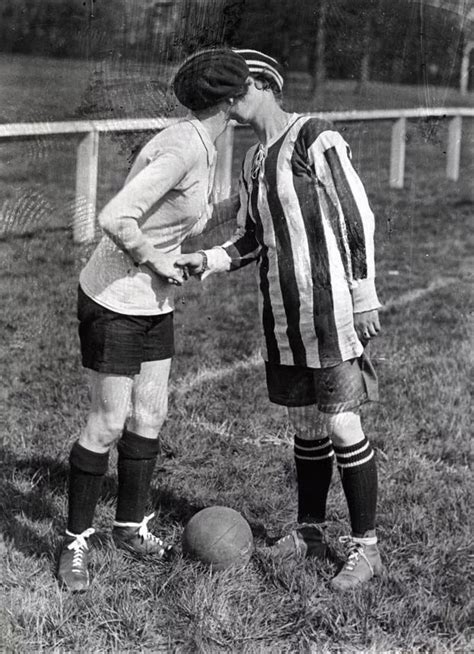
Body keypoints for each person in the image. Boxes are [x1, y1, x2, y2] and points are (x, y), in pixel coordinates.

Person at [177, 49, 382, 591]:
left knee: (341, 423)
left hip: (332, 309)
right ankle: (309, 531)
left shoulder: (314, 135)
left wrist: (364, 293)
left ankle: (366, 549)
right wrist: (211, 259)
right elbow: (251, 235)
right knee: (308, 429)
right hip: (282, 317)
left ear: (266, 85)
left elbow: (355, 212)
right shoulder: (251, 161)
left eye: (238, 92)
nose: (231, 104)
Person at [57, 48, 250, 591]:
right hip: (115, 298)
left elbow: (188, 213)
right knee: (108, 422)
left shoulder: (205, 142)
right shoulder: (182, 147)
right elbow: (116, 215)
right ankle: (74, 542)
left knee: (151, 414)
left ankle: (129, 527)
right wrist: (153, 257)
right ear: (232, 100)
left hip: (152, 302)